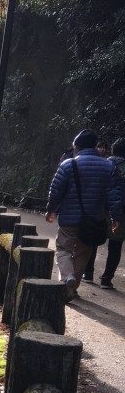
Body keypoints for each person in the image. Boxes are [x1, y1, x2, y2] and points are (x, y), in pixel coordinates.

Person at [45, 129, 123, 301]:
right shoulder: (109, 167)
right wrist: (115, 218)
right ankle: (72, 290)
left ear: (77, 146)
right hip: (94, 219)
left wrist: (51, 209)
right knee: (83, 253)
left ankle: (67, 278)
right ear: (95, 146)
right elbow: (115, 195)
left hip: (69, 219)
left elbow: (56, 190)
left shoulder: (68, 165)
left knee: (63, 249)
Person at [85, 137, 125, 289]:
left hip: (100, 209)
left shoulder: (103, 164)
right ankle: (106, 279)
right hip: (121, 213)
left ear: (112, 150)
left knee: (94, 240)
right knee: (115, 246)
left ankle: (88, 273)